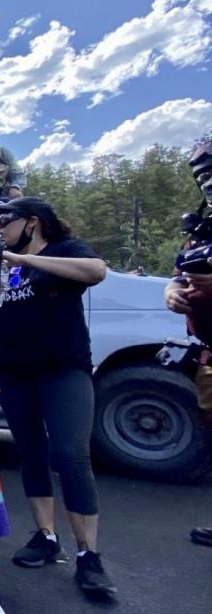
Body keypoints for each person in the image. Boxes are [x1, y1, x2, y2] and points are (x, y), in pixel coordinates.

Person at [0, 197, 115, 598]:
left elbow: (96, 271)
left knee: (70, 455)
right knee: (31, 452)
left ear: (33, 223)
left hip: (63, 370)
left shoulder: (62, 252)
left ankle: (88, 555)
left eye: (6, 220)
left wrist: (25, 261)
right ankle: (46, 536)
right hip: (15, 375)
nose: (0, 228)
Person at [163, 139, 212, 548]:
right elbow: (180, 273)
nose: (208, 181)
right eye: (202, 174)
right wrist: (172, 293)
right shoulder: (202, 225)